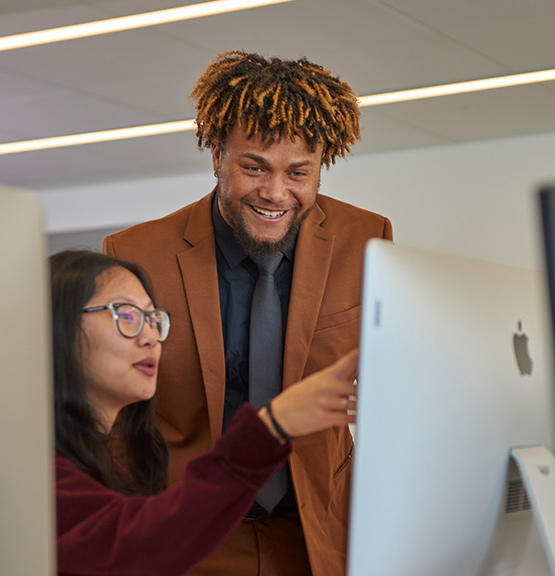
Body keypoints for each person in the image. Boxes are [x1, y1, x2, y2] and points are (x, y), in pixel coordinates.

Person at [103, 50, 393, 576]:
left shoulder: (368, 240)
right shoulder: (136, 255)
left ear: (321, 165)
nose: (275, 193)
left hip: (315, 534)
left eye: (298, 173)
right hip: (192, 536)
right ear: (217, 155)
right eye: (254, 167)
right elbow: (118, 418)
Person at [52, 249, 358, 576]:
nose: (151, 337)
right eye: (126, 316)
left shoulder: (114, 466)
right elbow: (140, 548)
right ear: (56, 326)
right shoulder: (36, 473)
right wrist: (272, 425)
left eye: (154, 319)